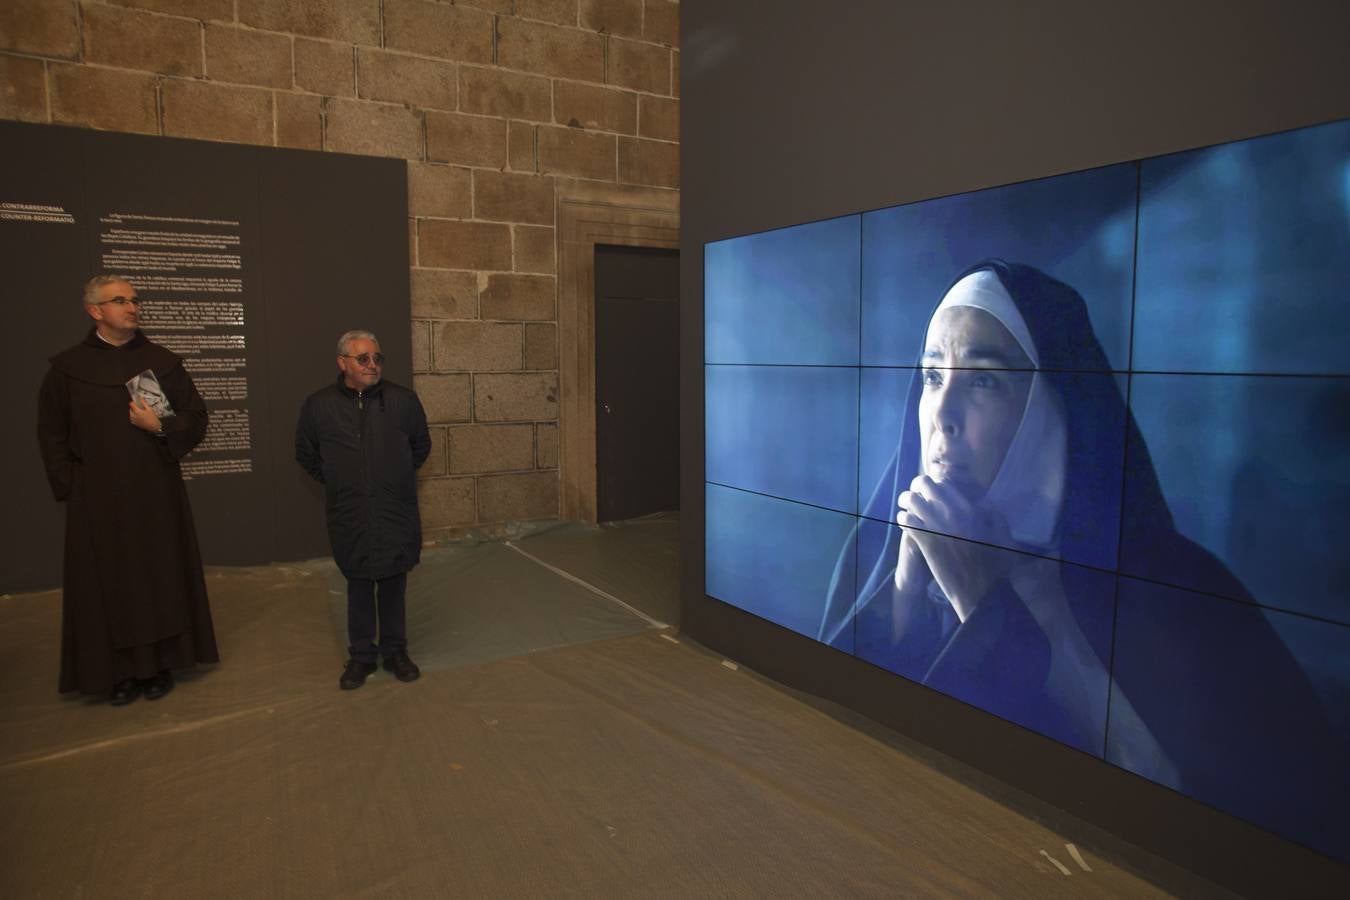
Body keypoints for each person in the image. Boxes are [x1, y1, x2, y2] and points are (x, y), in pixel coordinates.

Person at [819, 259, 1346, 853]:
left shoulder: (1181, 593)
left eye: (984, 381)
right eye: (933, 376)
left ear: (1052, 409)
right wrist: (902, 602)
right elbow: (827, 765)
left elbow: (1209, 832)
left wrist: (987, 607)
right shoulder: (876, 557)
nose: (942, 415)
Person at [37, 275, 218, 704]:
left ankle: (158, 666)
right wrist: (73, 487)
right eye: (120, 300)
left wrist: (161, 425)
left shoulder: (162, 363)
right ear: (95, 311)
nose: (132, 307)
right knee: (105, 585)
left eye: (135, 300)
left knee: (157, 579)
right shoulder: (67, 370)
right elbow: (52, 435)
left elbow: (196, 418)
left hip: (155, 494)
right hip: (96, 500)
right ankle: (115, 672)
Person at [295, 330, 431, 690]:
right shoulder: (319, 405)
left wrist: (393, 479)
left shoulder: (404, 401)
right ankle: (361, 656)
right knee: (358, 583)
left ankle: (395, 652)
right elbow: (306, 454)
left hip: (394, 509)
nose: (373, 365)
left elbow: (420, 446)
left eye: (377, 358)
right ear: (343, 363)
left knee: (393, 582)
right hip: (349, 511)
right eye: (363, 358)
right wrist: (340, 481)